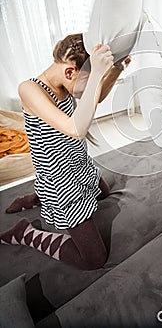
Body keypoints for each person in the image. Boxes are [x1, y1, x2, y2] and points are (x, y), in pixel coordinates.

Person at [1, 33, 128, 270]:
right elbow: (75, 128)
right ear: (70, 72)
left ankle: (37, 197)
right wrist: (98, 73)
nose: (87, 88)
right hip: (60, 179)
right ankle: (26, 233)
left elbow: (95, 98)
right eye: (86, 81)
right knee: (93, 259)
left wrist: (116, 69)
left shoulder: (67, 82)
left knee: (102, 192)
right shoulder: (29, 89)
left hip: (78, 164)